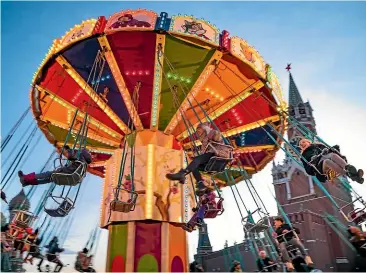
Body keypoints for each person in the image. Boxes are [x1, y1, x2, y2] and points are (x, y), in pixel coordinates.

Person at [166, 122, 232, 195]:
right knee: (195, 165)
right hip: (212, 160)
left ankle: (182, 174)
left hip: (218, 155)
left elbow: (218, 137)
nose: (198, 132)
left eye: (199, 130)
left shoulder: (212, 133)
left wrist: (210, 134)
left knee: (197, 160)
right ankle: (200, 184)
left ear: (204, 129)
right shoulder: (204, 141)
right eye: (197, 131)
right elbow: (204, 152)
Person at [18, 145, 92, 186]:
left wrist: (68, 149)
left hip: (67, 174)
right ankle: (28, 182)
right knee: (50, 179)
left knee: (48, 174)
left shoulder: (81, 159)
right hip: (72, 179)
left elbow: (71, 157)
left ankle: (25, 178)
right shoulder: (85, 165)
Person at [299, 139, 363, 184]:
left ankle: (351, 171)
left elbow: (331, 150)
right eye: (300, 145)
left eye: (303, 142)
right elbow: (308, 171)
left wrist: (332, 149)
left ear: (308, 142)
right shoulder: (304, 156)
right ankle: (348, 173)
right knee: (327, 161)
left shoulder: (319, 145)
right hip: (320, 167)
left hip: (329, 159)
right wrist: (312, 163)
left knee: (333, 155)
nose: (302, 144)